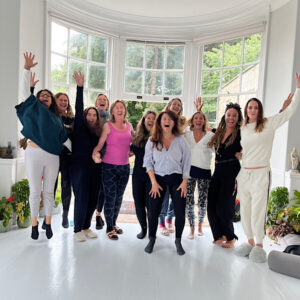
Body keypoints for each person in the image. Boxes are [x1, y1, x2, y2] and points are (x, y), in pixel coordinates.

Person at [235, 73, 300, 263]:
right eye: (250, 107)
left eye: (255, 107)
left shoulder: (268, 124)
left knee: (258, 210)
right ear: (246, 110)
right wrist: (241, 154)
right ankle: (248, 241)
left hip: (261, 172)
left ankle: (259, 245)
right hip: (244, 173)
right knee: (245, 209)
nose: (252, 110)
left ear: (259, 110)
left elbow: (289, 113)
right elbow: (244, 147)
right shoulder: (243, 128)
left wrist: (298, 89)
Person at [16, 52, 67, 240]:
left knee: (48, 191)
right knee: (35, 190)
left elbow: (64, 140)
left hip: (52, 156)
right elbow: (23, 91)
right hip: (33, 153)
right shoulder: (33, 109)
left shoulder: (56, 119)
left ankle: (48, 222)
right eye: (42, 95)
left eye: (48, 95)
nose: (45, 96)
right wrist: (26, 69)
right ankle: (34, 225)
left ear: (52, 101)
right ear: (37, 99)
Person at [143, 111, 191, 255]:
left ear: (174, 123)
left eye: (170, 119)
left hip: (177, 179)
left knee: (180, 212)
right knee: (153, 211)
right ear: (160, 122)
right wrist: (153, 182)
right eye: (164, 119)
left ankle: (178, 240)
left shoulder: (181, 141)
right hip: (158, 180)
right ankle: (152, 238)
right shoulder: (152, 140)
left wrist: (184, 182)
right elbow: (148, 163)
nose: (167, 121)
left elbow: (187, 162)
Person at [92, 100, 132, 240]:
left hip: (125, 167)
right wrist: (95, 153)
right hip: (108, 167)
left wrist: (132, 151)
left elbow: (132, 144)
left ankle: (113, 223)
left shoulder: (129, 126)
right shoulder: (107, 126)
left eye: (122, 107)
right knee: (110, 197)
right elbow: (100, 144)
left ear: (124, 111)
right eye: (117, 108)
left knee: (119, 198)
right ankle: (109, 228)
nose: (120, 110)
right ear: (113, 111)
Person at [71, 72, 102, 242]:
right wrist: (80, 87)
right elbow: (78, 105)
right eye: (89, 114)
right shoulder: (80, 127)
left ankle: (85, 227)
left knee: (93, 198)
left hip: (95, 168)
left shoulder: (98, 131)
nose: (91, 117)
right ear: (84, 116)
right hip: (79, 167)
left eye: (94, 115)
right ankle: (76, 229)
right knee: (82, 197)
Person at [207, 103, 243, 249]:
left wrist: (243, 154)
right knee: (211, 206)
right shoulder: (219, 133)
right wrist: (198, 111)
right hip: (217, 171)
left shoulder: (241, 133)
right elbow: (204, 127)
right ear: (225, 116)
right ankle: (218, 235)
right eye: (229, 115)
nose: (231, 118)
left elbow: (253, 144)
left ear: (238, 118)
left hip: (232, 171)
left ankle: (230, 236)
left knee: (224, 206)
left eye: (234, 115)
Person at [158, 97, 187, 235]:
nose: (176, 106)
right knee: (164, 196)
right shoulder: (162, 119)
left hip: (179, 165)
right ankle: (162, 222)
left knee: (177, 196)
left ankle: (170, 220)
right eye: (174, 104)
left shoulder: (184, 122)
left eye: (178, 105)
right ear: (168, 106)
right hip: (163, 165)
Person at [184, 111, 214, 239]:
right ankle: (191, 227)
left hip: (204, 172)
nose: (198, 120)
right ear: (192, 120)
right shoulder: (187, 134)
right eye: (196, 118)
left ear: (204, 121)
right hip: (189, 171)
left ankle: (200, 225)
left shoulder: (210, 135)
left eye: (201, 118)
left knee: (202, 202)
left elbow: (219, 144)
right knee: (189, 201)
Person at [131, 111, 156, 239]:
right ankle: (143, 229)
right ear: (144, 120)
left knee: (150, 205)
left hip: (152, 176)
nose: (150, 120)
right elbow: (129, 151)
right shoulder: (137, 137)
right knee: (138, 204)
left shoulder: (158, 137)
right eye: (148, 118)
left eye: (153, 118)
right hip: (137, 175)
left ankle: (152, 232)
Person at [54, 92, 74, 228]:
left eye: (65, 100)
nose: (63, 102)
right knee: (51, 187)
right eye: (60, 100)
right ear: (55, 102)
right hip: (53, 156)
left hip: (68, 158)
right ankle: (46, 218)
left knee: (66, 186)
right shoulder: (51, 117)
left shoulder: (72, 119)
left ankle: (65, 215)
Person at [94, 93, 110, 230]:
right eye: (100, 99)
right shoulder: (91, 117)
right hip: (92, 157)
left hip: (108, 158)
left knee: (104, 188)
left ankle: (99, 214)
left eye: (104, 99)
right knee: (93, 187)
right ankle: (91, 213)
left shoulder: (113, 119)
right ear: (95, 103)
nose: (102, 101)